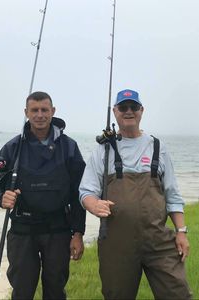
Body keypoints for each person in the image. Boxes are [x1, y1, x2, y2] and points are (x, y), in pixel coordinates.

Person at [79, 89, 192, 300]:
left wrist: (181, 231)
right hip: (116, 243)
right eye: (123, 107)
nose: (128, 111)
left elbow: (173, 195)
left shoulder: (158, 147)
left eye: (133, 107)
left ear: (141, 111)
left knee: (178, 293)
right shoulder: (103, 151)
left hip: (158, 240)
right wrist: (93, 204)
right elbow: (86, 190)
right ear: (115, 111)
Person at [0, 91, 86, 300]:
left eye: (44, 110)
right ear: (26, 112)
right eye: (35, 110)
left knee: (55, 291)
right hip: (23, 230)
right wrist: (1, 198)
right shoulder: (13, 147)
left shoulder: (69, 147)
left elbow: (79, 193)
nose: (40, 115)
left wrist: (78, 233)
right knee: (22, 291)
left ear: (53, 111)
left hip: (58, 230)